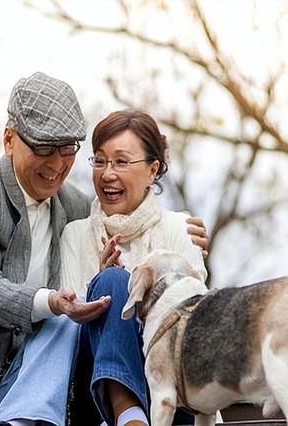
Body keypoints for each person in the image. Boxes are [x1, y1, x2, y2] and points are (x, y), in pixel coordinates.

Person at [0, 72, 208, 426]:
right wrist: (51, 301)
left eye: (67, 149)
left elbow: (124, 215)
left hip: (19, 385)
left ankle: (21, 420)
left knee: (68, 315)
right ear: (9, 140)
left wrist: (181, 229)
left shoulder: (76, 208)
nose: (55, 164)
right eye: (43, 148)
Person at [60, 109, 208, 426]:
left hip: (171, 395)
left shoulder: (180, 229)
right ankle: (130, 416)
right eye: (100, 161)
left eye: (121, 162)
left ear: (152, 170)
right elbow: (70, 330)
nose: (107, 174)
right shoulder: (74, 234)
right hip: (94, 398)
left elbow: (195, 323)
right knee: (112, 282)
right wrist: (101, 283)